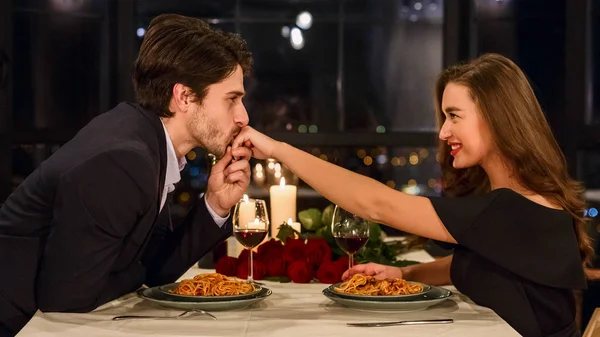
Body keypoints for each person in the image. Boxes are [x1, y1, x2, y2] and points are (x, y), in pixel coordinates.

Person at [232, 53, 591, 337]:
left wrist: (279, 149)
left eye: (454, 116)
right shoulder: (518, 203)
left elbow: (376, 204)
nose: (443, 131)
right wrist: (404, 274)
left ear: (497, 118)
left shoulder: (514, 209)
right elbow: (488, 266)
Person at [0, 14, 253, 336]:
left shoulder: (146, 139)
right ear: (185, 97)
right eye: (232, 99)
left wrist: (215, 204)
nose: (243, 117)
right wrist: (139, 272)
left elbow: (159, 269)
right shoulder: (123, 160)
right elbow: (67, 298)